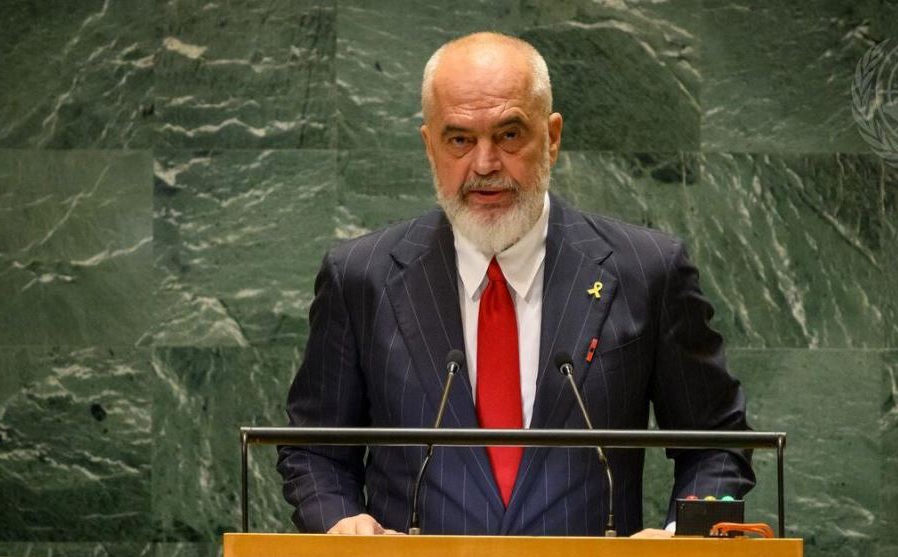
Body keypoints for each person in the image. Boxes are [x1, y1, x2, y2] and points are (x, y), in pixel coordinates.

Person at [277, 31, 754, 538]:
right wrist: (342, 524)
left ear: (552, 137)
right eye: (459, 140)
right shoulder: (362, 277)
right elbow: (313, 450)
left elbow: (717, 442)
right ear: (429, 146)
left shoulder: (646, 271)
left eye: (508, 135)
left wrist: (682, 537)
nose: (484, 165)